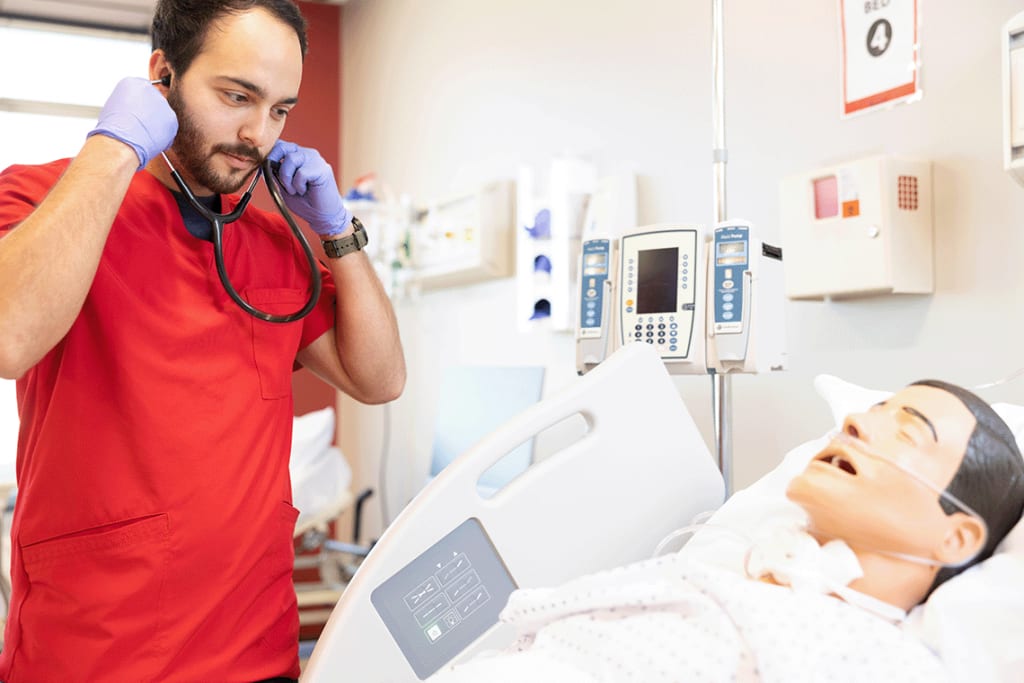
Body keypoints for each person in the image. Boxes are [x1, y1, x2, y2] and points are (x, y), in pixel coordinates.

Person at [0, 1, 405, 681]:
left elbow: (381, 378)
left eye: (280, 110)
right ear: (162, 76)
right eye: (236, 96)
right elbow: (9, 335)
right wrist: (114, 148)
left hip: (258, 650)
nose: (258, 134)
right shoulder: (43, 199)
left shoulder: (279, 243)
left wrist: (339, 231)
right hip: (96, 653)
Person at [428, 380, 1024, 682]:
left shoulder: (878, 663)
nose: (854, 423)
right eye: (872, 410)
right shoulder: (731, 580)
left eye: (907, 431)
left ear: (957, 539)